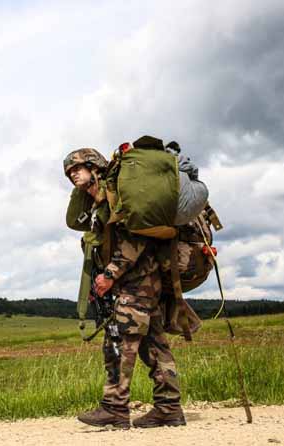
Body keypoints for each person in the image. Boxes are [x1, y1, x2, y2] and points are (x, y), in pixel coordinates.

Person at [64, 148, 186, 429]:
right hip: (145, 282)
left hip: (137, 280)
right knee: (154, 345)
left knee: (118, 342)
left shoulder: (117, 194)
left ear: (94, 167)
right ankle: (169, 409)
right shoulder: (98, 202)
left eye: (77, 168)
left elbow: (136, 238)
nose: (73, 174)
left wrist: (110, 273)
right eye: (69, 172)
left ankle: (115, 408)